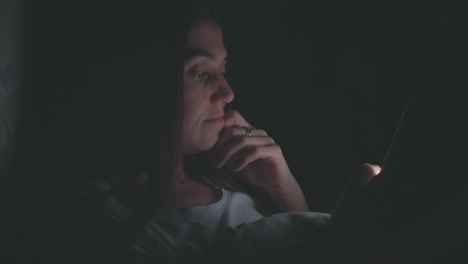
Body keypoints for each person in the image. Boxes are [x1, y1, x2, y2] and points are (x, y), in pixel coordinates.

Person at [58, 1, 386, 263]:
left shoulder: (227, 173)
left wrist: (282, 187)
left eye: (223, 70)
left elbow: (302, 245)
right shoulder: (114, 223)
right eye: (200, 73)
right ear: (141, 84)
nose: (227, 93)